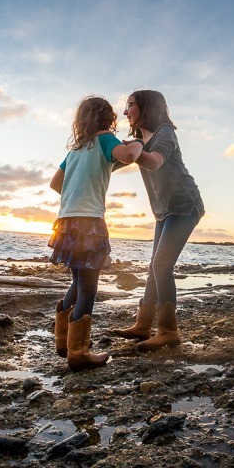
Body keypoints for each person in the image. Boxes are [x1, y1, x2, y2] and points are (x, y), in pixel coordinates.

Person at [49, 96, 143, 371]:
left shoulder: (76, 150)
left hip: (67, 221)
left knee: (77, 283)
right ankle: (78, 353)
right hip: (89, 222)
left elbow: (56, 183)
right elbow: (128, 156)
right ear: (107, 118)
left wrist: (77, 190)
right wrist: (138, 143)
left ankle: (63, 342)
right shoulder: (106, 140)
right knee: (89, 289)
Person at [111, 90, 205, 350]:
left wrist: (133, 152)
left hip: (185, 206)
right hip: (163, 210)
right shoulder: (138, 140)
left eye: (130, 105)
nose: (125, 111)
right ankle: (143, 325)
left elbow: (153, 162)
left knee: (162, 266)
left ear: (147, 107)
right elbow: (115, 163)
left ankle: (168, 331)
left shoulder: (165, 132)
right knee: (155, 265)